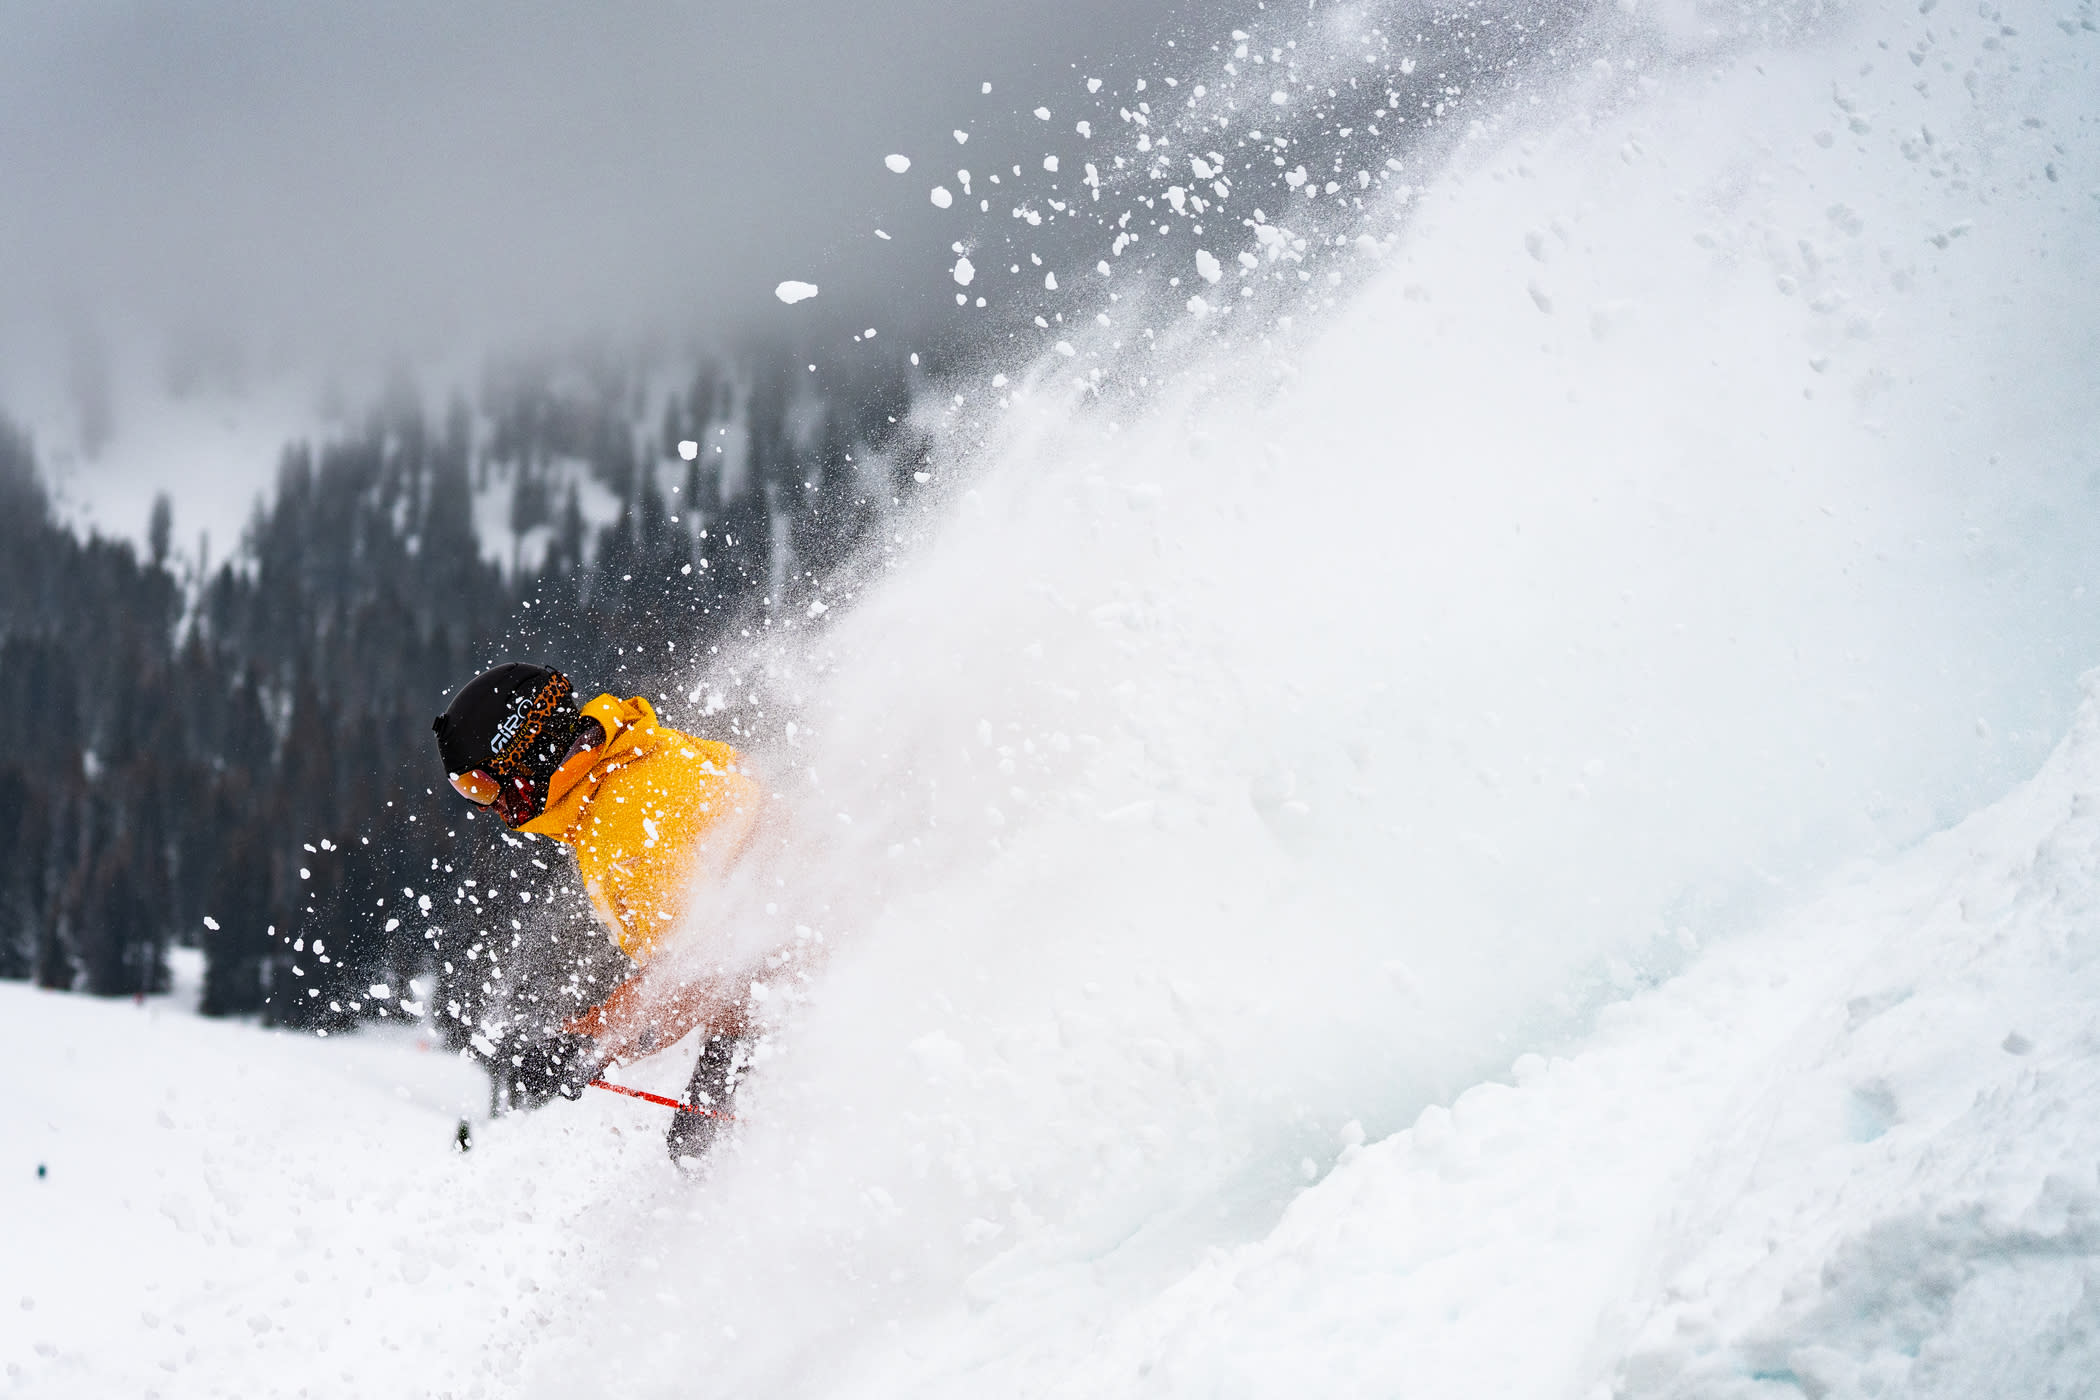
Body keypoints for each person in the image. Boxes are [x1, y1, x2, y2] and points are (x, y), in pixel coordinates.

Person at [432, 662, 764, 1162]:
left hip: (783, 972)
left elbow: (695, 971)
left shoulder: (623, 828)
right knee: (700, 1145)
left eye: (481, 786)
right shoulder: (632, 757)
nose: (484, 807)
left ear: (523, 756)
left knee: (702, 1154)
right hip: (771, 964)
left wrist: (587, 1045)